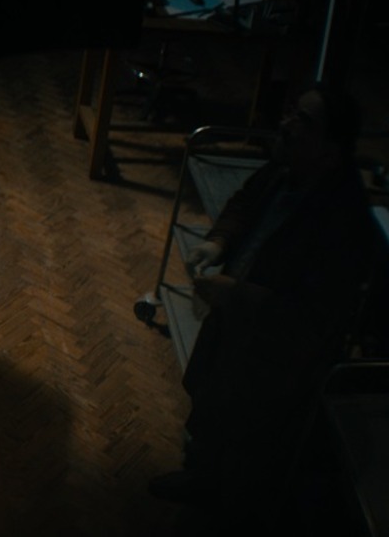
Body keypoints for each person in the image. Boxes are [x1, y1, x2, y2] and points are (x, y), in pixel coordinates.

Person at [149, 85, 379, 525]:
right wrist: (219, 242)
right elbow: (245, 201)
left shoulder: (344, 221)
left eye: (303, 120)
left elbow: (314, 315)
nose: (286, 124)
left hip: (275, 356)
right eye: (292, 111)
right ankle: (201, 480)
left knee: (249, 442)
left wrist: (236, 294)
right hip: (238, 327)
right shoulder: (288, 167)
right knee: (212, 406)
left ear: (331, 150)